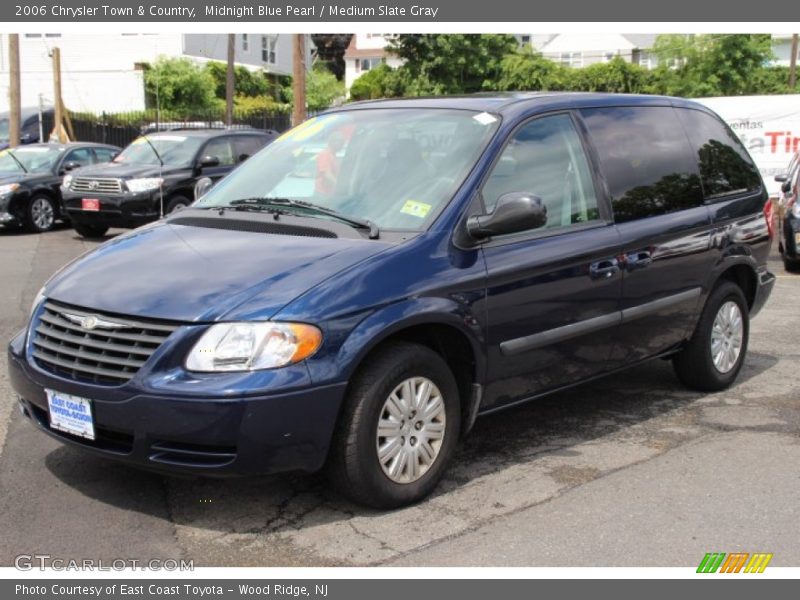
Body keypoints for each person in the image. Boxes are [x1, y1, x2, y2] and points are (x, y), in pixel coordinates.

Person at [315, 130, 346, 197]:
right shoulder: (325, 154)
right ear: (331, 142)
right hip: (322, 193)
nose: (341, 145)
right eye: (339, 141)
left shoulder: (333, 155)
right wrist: (341, 187)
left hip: (329, 192)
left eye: (342, 142)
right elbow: (327, 174)